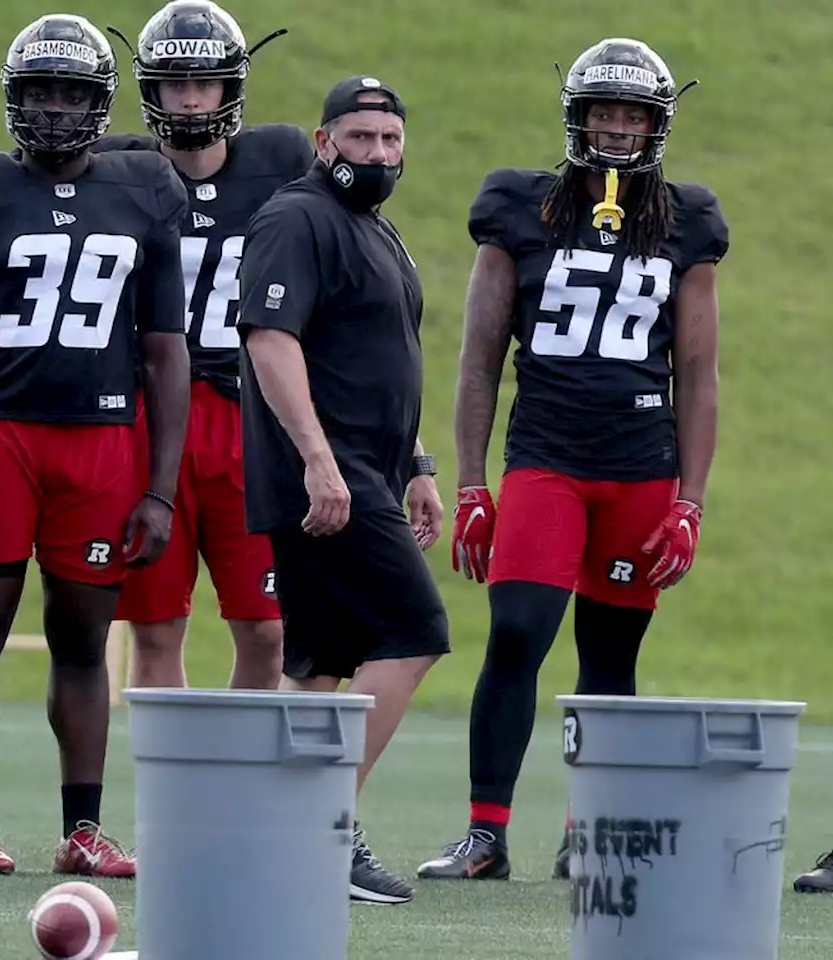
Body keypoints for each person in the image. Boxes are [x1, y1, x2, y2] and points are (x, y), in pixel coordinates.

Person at [416, 37, 727, 882]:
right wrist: (474, 481)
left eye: (632, 114)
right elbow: (479, 359)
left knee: (610, 653)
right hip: (547, 458)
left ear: (657, 124)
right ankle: (486, 832)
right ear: (577, 117)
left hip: (639, 464)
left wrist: (690, 499)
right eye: (603, 111)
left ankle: (588, 832)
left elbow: (696, 373)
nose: (618, 128)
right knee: (516, 634)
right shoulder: (520, 207)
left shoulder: (687, 220)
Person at [0, 13, 190, 878]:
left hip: (103, 443)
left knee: (85, 636)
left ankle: (82, 828)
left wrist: (160, 487)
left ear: (101, 103)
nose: (57, 109)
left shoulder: (144, 191)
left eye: (73, 93)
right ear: (13, 98)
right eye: (40, 91)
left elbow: (165, 351)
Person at [238, 75, 450, 905]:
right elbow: (270, 341)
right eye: (360, 139)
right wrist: (321, 465)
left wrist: (418, 464)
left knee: (320, 663)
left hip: (367, 472)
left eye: (391, 140)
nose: (378, 154)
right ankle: (318, 824)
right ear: (324, 141)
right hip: (329, 480)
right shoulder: (298, 217)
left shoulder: (372, 227)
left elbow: (374, 361)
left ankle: (263, 831)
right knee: (412, 631)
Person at [94, 0, 312, 690]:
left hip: (249, 415)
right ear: (148, 90)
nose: (190, 99)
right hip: (148, 416)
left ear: (231, 86)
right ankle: (173, 796)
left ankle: (238, 791)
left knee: (269, 630)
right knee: (155, 632)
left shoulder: (281, 166)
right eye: (173, 83)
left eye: (204, 82)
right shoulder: (112, 170)